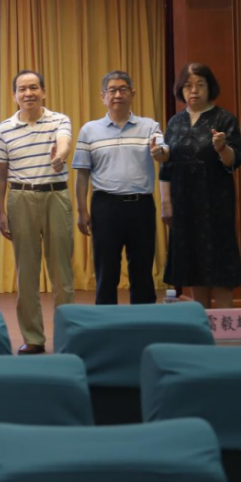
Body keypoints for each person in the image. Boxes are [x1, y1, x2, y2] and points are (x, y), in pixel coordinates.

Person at [0, 70, 74, 355]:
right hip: (20, 198)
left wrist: (59, 157)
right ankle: (33, 338)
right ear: (14, 95)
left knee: (62, 273)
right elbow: (0, 174)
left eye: (34, 88)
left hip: (56, 196)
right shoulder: (4, 129)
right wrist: (1, 212)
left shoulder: (59, 120)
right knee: (26, 273)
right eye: (22, 89)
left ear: (43, 92)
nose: (28, 93)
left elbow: (64, 142)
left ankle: (66, 337)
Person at [73, 71, 167, 306]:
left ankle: (143, 322)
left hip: (141, 205)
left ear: (132, 94)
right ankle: (106, 322)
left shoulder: (150, 126)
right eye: (112, 90)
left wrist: (159, 152)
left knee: (142, 271)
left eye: (123, 89)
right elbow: (82, 174)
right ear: (103, 96)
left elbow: (163, 153)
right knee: (106, 271)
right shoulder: (89, 130)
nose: (118, 95)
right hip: (105, 206)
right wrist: (82, 211)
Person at [160, 63, 241, 308]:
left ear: (210, 87)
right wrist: (166, 203)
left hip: (215, 201)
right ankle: (202, 319)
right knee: (193, 262)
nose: (194, 90)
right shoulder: (175, 122)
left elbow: (233, 162)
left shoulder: (224, 118)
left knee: (220, 262)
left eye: (200, 84)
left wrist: (222, 147)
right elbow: (166, 164)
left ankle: (225, 321)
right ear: (180, 89)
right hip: (183, 202)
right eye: (188, 85)